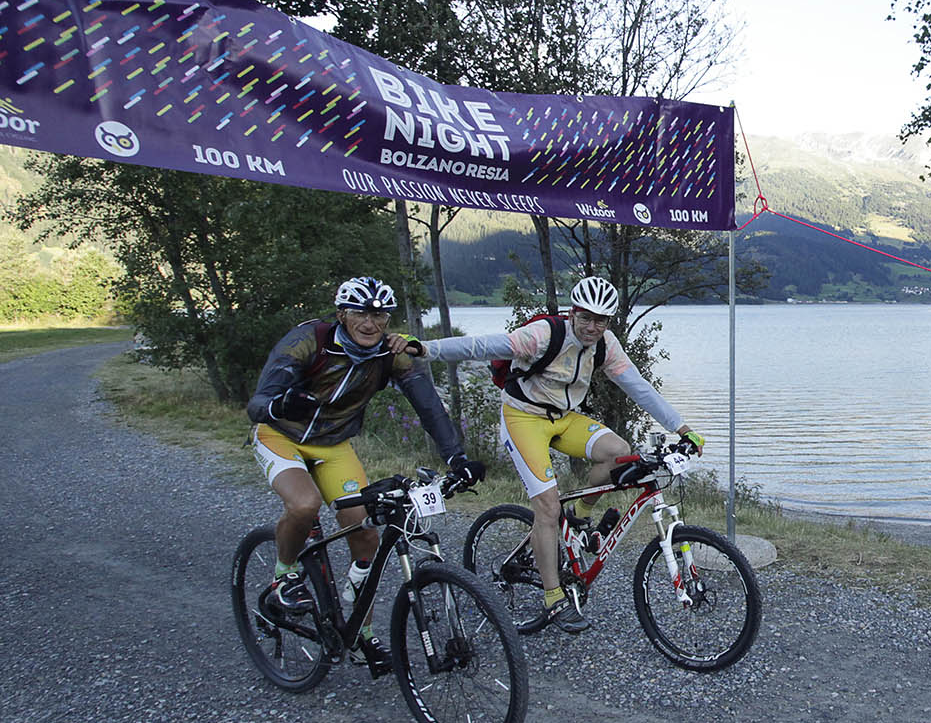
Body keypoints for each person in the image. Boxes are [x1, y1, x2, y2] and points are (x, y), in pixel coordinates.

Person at [408, 275, 702, 632]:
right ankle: (553, 598)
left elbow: (638, 386)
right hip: (523, 417)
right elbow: (480, 346)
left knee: (618, 452)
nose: (592, 327)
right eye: (586, 317)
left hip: (562, 418)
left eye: (601, 320)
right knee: (547, 508)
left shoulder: (605, 345)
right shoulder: (543, 335)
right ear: (572, 313)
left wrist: (682, 428)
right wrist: (425, 349)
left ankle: (579, 516)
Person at [247, 276, 482, 671]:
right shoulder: (308, 341)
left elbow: (429, 407)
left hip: (333, 445)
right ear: (342, 314)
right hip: (280, 435)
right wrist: (281, 404)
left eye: (380, 315)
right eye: (361, 314)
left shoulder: (390, 354)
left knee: (366, 533)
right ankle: (284, 576)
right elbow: (258, 404)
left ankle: (361, 635)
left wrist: (457, 458)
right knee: (304, 505)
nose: (371, 323)